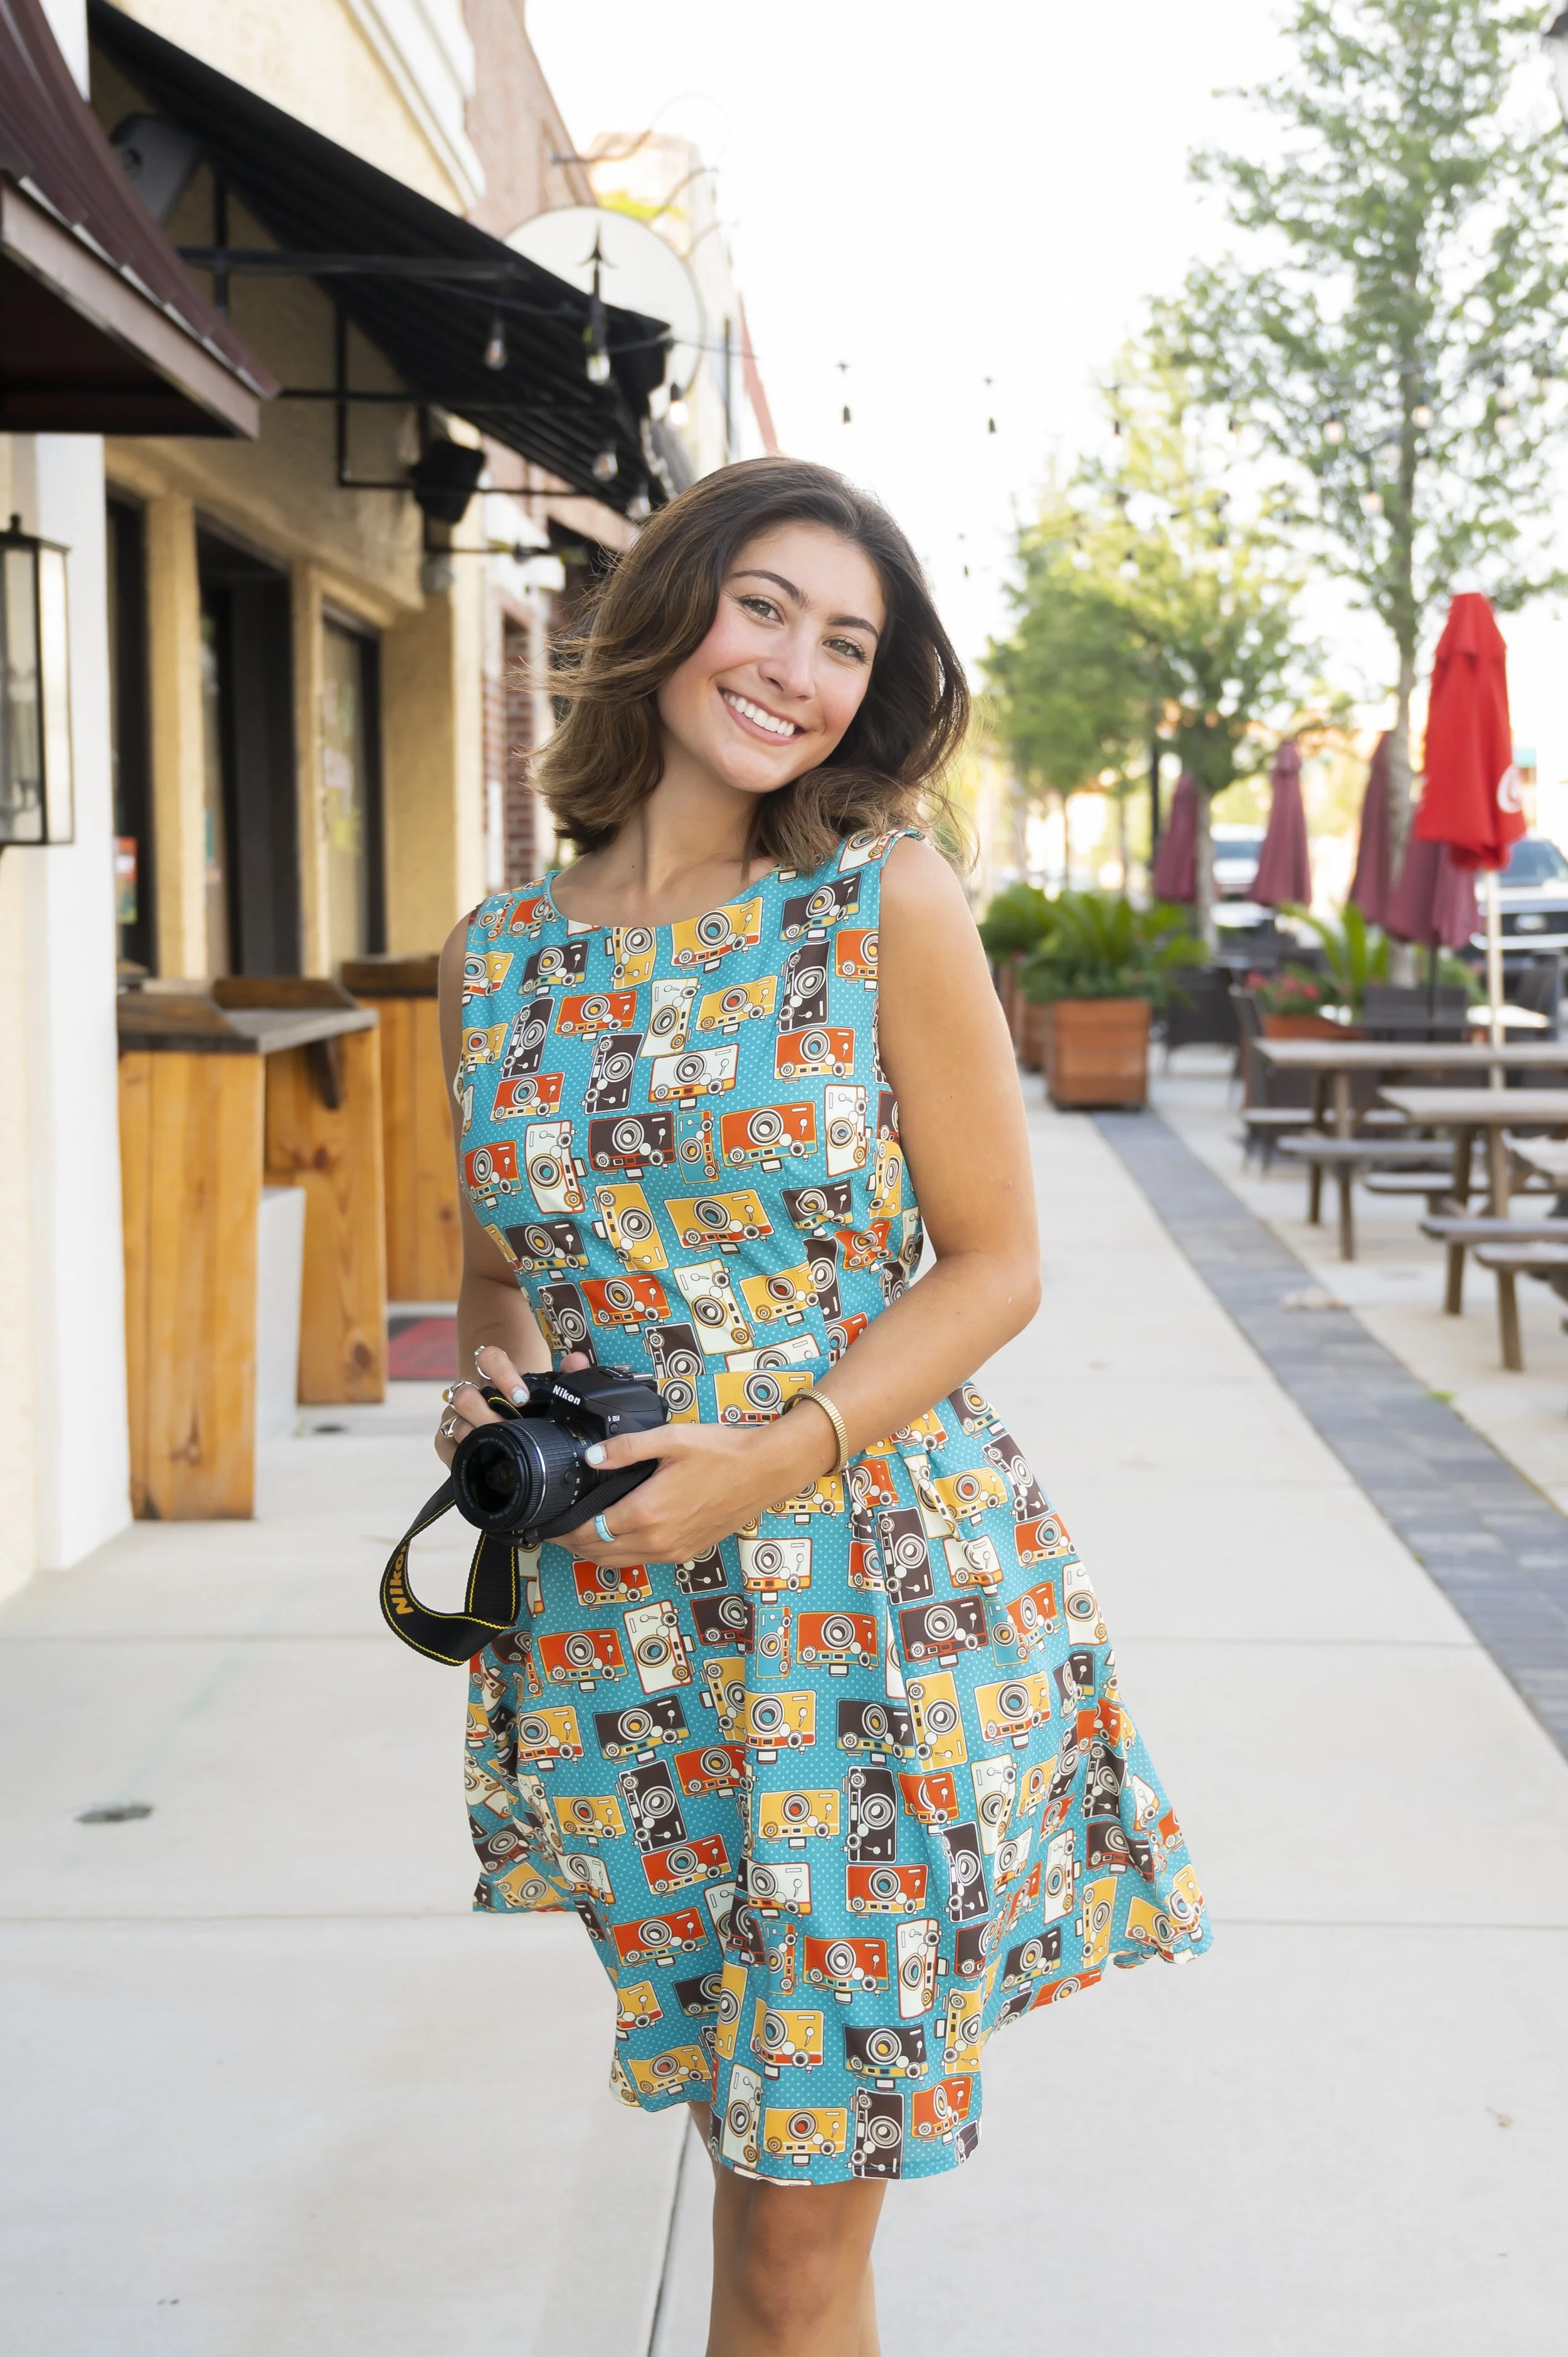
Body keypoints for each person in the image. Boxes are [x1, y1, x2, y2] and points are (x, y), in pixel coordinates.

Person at [432, 457, 1209, 2357]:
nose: (796, 666)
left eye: (847, 641)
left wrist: (772, 1455)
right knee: (758, 2177)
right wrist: (488, 1374)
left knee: (791, 2248)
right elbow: (497, 1267)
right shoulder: (495, 959)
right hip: (623, 1643)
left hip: (869, 1616)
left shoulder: (881, 904)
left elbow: (994, 1262)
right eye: (764, 606)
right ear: (667, 607)